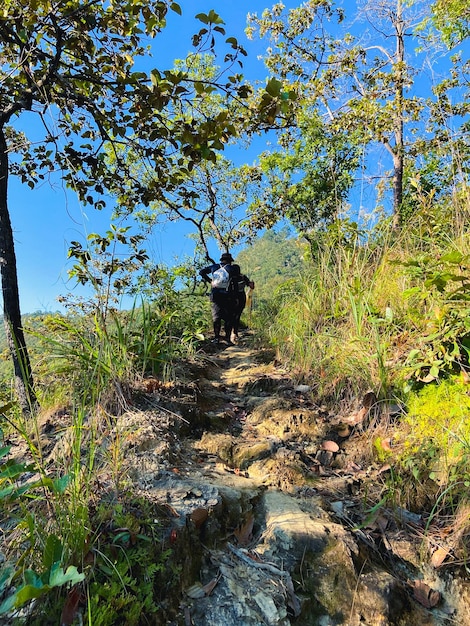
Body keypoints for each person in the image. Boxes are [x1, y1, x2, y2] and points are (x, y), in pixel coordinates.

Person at [199, 252, 238, 344]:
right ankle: (227, 339)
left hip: (215, 294)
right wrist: (235, 297)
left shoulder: (214, 267)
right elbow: (235, 284)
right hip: (227, 295)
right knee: (228, 317)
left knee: (216, 316)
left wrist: (210, 281)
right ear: (230, 261)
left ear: (221, 260)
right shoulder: (231, 269)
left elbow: (201, 272)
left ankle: (216, 338)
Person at [230, 264, 255, 342]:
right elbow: (251, 286)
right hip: (241, 298)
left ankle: (231, 333)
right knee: (237, 315)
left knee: (231, 315)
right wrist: (252, 284)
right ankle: (235, 332)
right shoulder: (243, 277)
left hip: (231, 298)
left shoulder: (229, 277)